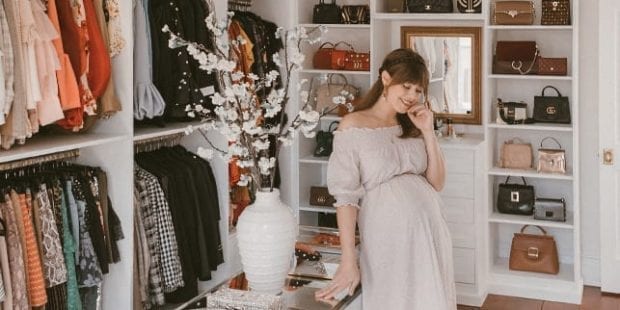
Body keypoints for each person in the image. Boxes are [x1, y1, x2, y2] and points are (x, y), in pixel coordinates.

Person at [315, 48, 457, 309]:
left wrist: (428, 132)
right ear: (385, 78)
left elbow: (437, 183)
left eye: (418, 90)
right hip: (387, 232)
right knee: (393, 298)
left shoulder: (413, 125)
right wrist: (348, 259)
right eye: (406, 86)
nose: (412, 96)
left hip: (430, 228)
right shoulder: (353, 126)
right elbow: (345, 197)